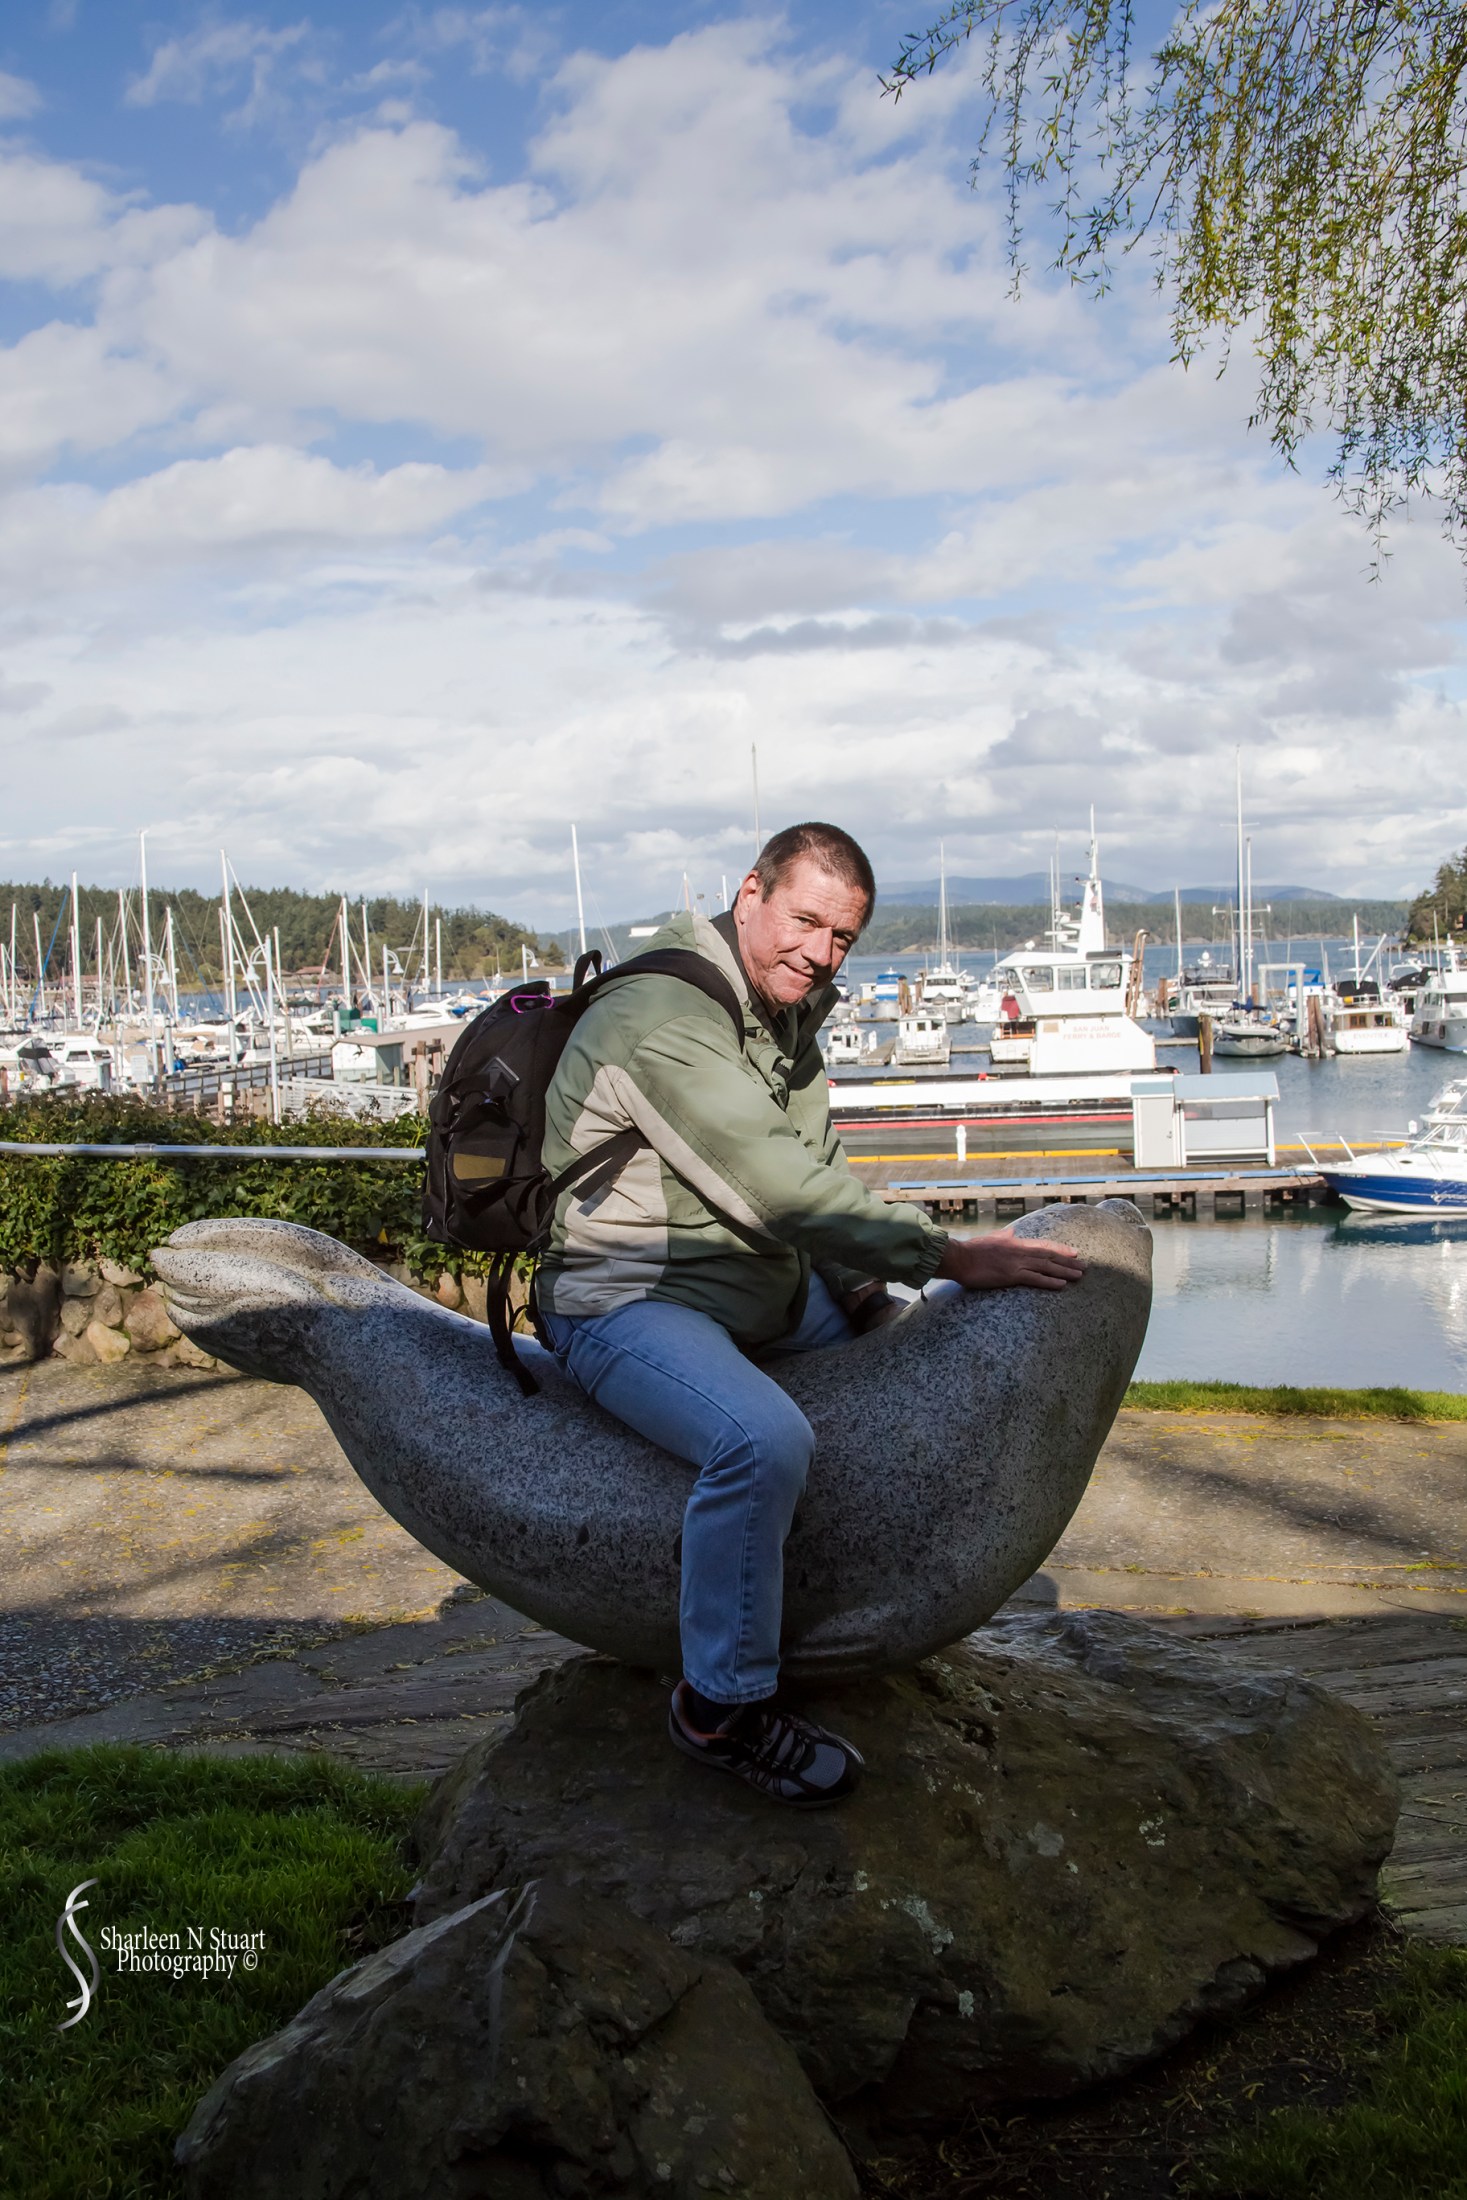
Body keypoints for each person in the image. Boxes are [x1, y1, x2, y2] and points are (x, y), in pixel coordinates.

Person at [536, 823, 1082, 1808]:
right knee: (761, 1440)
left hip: (752, 1284)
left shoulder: (781, 1007)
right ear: (750, 894)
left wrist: (874, 1293)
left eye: (842, 937)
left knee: (917, 1364)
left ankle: (862, 1593)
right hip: (625, 1292)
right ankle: (720, 1707)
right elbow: (783, 1190)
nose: (821, 952)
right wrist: (948, 1254)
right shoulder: (666, 1014)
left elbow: (818, 1162)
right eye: (805, 921)